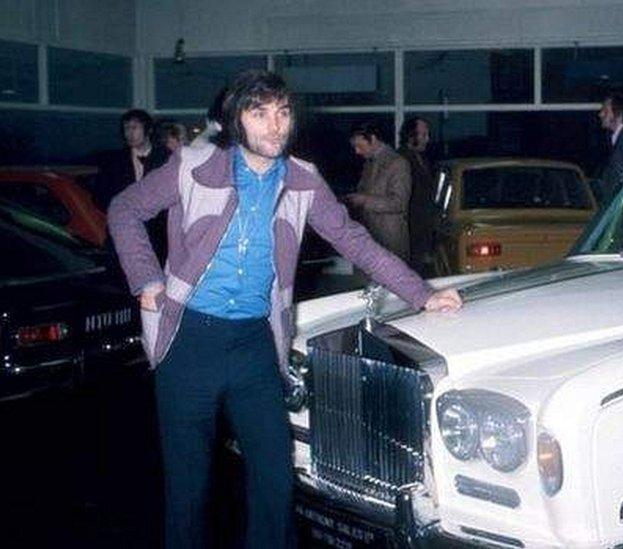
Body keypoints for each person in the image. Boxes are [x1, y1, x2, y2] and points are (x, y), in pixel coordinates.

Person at [107, 69, 461, 549]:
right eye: (260, 113)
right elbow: (124, 210)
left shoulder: (303, 182)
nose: (276, 125)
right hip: (188, 342)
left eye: (283, 112)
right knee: (188, 489)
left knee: (275, 480)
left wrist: (421, 292)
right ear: (237, 120)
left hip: (254, 346)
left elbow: (355, 241)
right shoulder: (192, 167)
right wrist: (147, 279)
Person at [344, 122, 412, 260]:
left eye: (359, 146)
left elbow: (399, 203)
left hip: (391, 242)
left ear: (373, 139)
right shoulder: (369, 163)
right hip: (372, 240)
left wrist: (364, 200)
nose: (357, 151)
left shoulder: (398, 163)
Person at [95, 109, 169, 210]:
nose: (130, 133)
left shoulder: (165, 157)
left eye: (134, 128)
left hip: (158, 221)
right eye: (126, 128)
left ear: (149, 130)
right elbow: (101, 195)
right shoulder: (114, 161)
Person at [398, 117, 437, 276]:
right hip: (410, 227)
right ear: (411, 135)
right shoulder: (401, 159)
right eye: (423, 134)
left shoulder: (422, 159)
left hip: (421, 225)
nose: (427, 139)